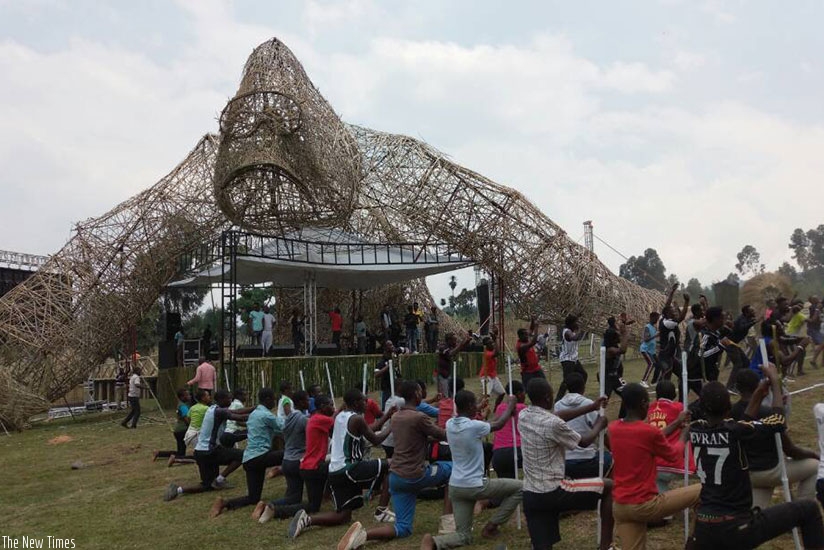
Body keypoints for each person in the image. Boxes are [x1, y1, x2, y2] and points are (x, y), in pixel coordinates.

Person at [691, 380, 824, 549]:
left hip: (704, 527)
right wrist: (776, 383)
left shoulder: (694, 430)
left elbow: (742, 424)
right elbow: (778, 419)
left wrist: (757, 396)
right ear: (728, 408)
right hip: (735, 526)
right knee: (809, 509)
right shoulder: (735, 431)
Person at [338, 380, 452, 547]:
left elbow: (418, 437)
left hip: (396, 477)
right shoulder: (419, 417)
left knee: (403, 528)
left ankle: (362, 536)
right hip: (415, 474)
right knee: (452, 470)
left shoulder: (397, 416)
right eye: (420, 391)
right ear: (416, 394)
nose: (422, 394)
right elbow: (444, 435)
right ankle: (448, 525)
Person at [288, 389, 397, 549]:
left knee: (343, 516)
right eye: (362, 401)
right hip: (350, 468)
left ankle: (308, 520)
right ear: (354, 403)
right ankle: (381, 510)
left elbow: (369, 429)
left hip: (335, 472)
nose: (366, 403)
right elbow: (375, 439)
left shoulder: (340, 417)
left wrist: (387, 416)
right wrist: (392, 425)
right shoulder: (356, 419)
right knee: (392, 464)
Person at [518, 377, 614, 550]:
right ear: (548, 397)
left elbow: (556, 416)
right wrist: (599, 425)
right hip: (555, 490)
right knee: (609, 486)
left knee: (542, 546)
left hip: (531, 494)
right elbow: (584, 441)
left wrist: (591, 406)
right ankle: (605, 546)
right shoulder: (554, 425)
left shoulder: (524, 415)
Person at [420, 390, 521, 550]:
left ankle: (434, 542)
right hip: (474, 485)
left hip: (456, 487)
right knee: (520, 488)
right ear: (468, 406)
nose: (477, 406)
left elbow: (473, 419)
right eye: (475, 404)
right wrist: (510, 406)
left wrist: (479, 406)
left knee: (464, 536)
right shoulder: (474, 427)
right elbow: (499, 424)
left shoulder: (450, 424)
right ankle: (492, 526)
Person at [609, 382, 700, 550]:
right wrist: (683, 436)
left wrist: (675, 424)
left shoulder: (613, 429)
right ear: (644, 403)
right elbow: (673, 455)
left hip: (620, 507)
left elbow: (650, 438)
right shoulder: (647, 433)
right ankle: (695, 541)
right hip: (645, 505)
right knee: (703, 490)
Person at [731, 368, 819, 508]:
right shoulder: (767, 413)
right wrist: (814, 454)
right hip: (771, 471)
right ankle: (803, 510)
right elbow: (790, 450)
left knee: (756, 516)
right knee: (816, 467)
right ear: (758, 386)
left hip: (748, 474)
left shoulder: (731, 412)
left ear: (737, 388)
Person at [209, 387, 285, 517]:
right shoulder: (266, 415)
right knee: (291, 455)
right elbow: (285, 427)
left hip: (249, 460)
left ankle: (225, 503)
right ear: (267, 400)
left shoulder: (254, 414)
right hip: (261, 456)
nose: (275, 403)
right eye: (273, 399)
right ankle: (286, 480)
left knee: (253, 498)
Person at [259, 394, 335, 524]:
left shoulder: (300, 418)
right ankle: (276, 511)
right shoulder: (316, 419)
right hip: (311, 466)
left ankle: (272, 507)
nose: (333, 407)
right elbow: (337, 421)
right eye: (330, 405)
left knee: (297, 499)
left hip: (301, 464)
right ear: (322, 407)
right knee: (313, 505)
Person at [163, 389, 251, 502]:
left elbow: (237, 412)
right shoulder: (219, 411)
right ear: (220, 400)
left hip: (200, 452)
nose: (230, 400)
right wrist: (258, 413)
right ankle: (219, 480)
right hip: (210, 450)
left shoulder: (213, 409)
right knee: (242, 455)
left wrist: (254, 408)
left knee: (207, 486)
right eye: (228, 398)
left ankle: (178, 490)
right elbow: (240, 417)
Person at [555, 373, 612, 479]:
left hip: (564, 460)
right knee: (611, 460)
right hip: (586, 459)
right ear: (583, 387)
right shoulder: (588, 403)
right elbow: (601, 432)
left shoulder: (558, 405)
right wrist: (612, 450)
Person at [646, 380, 693, 494]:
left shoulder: (650, 409)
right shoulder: (678, 407)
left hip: (654, 463)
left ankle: (665, 507)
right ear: (674, 394)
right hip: (674, 461)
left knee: (660, 485)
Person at [490, 381, 526, 483]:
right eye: (524, 393)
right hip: (518, 450)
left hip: (499, 454)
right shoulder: (523, 408)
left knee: (507, 487)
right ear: (519, 394)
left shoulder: (500, 408)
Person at [154, 389, 195, 464]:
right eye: (187, 395)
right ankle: (175, 459)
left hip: (178, 430)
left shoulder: (181, 404)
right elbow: (187, 419)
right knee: (182, 453)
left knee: (180, 451)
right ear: (182, 397)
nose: (189, 396)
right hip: (182, 430)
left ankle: (160, 453)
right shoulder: (183, 406)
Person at [659, 285, 690, 380]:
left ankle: (682, 392)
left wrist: (672, 292)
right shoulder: (668, 323)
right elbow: (681, 318)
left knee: (683, 375)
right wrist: (687, 302)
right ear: (668, 313)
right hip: (666, 356)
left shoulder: (663, 318)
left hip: (670, 355)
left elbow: (667, 305)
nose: (675, 312)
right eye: (673, 311)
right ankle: (662, 391)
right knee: (666, 376)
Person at [555, 314, 588, 400]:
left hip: (574, 359)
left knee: (583, 375)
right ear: (571, 324)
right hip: (567, 360)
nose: (577, 324)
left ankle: (576, 393)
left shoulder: (572, 330)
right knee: (566, 381)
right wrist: (580, 329)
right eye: (576, 322)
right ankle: (558, 399)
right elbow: (574, 338)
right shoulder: (567, 332)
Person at [727, 305, 758, 390]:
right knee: (738, 364)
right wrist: (752, 322)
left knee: (746, 363)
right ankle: (730, 387)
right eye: (752, 311)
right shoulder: (741, 319)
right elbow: (741, 328)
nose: (754, 312)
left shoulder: (745, 318)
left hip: (734, 343)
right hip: (729, 343)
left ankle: (740, 384)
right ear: (747, 313)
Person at [603, 317, 628, 417]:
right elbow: (623, 350)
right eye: (617, 336)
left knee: (627, 394)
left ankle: (621, 418)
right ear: (612, 338)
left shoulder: (613, 345)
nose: (619, 337)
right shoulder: (610, 349)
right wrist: (625, 334)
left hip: (615, 377)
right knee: (603, 400)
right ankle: (594, 419)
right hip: (607, 377)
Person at [436, 331, 471, 396]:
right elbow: (450, 354)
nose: (455, 342)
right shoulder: (442, 347)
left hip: (449, 375)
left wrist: (466, 341)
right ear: (449, 340)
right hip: (442, 376)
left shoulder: (451, 346)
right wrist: (461, 344)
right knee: (444, 396)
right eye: (454, 340)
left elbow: (460, 348)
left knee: (452, 394)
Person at [516, 318, 545, 389]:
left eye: (527, 334)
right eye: (526, 335)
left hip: (536, 368)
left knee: (544, 385)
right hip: (528, 371)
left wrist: (532, 319)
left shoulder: (525, 338)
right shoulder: (521, 346)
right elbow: (533, 342)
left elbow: (531, 329)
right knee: (528, 390)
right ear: (520, 336)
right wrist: (536, 327)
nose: (528, 336)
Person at [375, 340, 401, 408]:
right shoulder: (382, 361)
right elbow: (376, 374)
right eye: (390, 345)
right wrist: (387, 366)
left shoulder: (395, 354)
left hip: (398, 387)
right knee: (385, 407)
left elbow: (405, 349)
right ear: (385, 348)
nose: (392, 346)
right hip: (387, 388)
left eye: (392, 344)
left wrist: (406, 352)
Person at [478, 334, 505, 401]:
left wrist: (495, 340)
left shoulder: (491, 351)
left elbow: (497, 352)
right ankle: (476, 407)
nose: (492, 345)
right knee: (486, 395)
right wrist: (495, 340)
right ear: (486, 346)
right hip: (486, 376)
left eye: (492, 343)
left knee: (502, 393)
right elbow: (497, 353)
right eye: (490, 344)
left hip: (493, 376)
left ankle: (496, 409)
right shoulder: (487, 353)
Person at [640, 312, 660, 388]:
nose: (656, 320)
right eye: (656, 319)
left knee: (658, 365)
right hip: (645, 349)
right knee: (651, 363)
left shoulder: (654, 328)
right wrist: (656, 335)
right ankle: (643, 381)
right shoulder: (647, 327)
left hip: (651, 351)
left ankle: (654, 381)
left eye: (657, 319)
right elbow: (646, 339)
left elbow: (653, 340)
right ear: (651, 318)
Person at [808, 296, 823, 367]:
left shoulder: (817, 307)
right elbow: (813, 319)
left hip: (817, 328)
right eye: (816, 299)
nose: (818, 300)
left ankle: (821, 362)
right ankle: (813, 360)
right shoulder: (814, 307)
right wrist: (817, 309)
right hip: (814, 329)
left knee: (822, 344)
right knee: (821, 344)